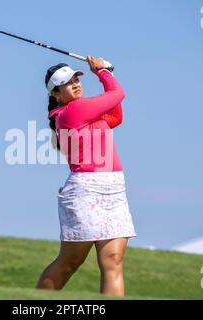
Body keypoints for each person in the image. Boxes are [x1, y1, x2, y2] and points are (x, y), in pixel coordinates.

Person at [35, 56, 137, 296]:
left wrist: (106, 74)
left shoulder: (85, 112)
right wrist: (103, 72)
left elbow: (115, 115)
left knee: (113, 261)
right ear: (55, 95)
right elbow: (117, 93)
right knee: (69, 263)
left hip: (114, 188)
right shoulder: (73, 110)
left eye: (76, 78)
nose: (76, 83)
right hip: (85, 191)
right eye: (67, 83)